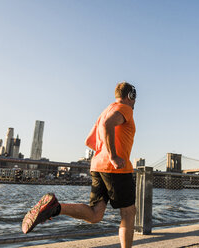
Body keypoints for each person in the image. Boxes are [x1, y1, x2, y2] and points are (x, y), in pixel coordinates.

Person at [22, 82, 137, 248]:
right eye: (134, 99)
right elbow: (108, 125)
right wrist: (112, 155)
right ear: (130, 96)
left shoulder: (105, 111)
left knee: (95, 215)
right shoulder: (124, 108)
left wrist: (106, 150)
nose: (134, 103)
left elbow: (89, 141)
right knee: (128, 213)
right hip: (116, 168)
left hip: (98, 166)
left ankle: (54, 208)